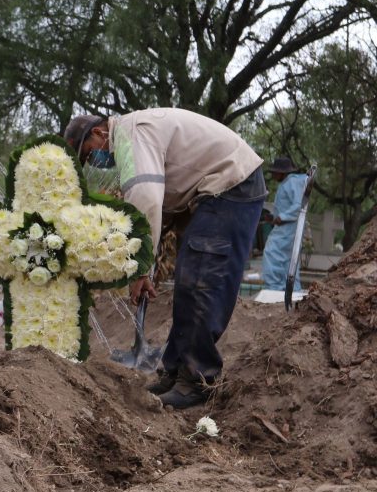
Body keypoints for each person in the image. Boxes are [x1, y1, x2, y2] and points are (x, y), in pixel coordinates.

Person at [64, 108, 266, 409]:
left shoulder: (130, 134)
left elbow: (146, 198)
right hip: (214, 190)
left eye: (90, 154)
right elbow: (163, 203)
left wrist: (140, 270)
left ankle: (198, 380)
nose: (95, 163)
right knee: (188, 279)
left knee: (201, 280)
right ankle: (174, 370)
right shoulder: (131, 137)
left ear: (98, 133)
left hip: (232, 184)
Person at [261, 157, 309, 291]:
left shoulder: (292, 182)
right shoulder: (287, 183)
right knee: (289, 261)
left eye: (275, 172)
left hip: (287, 229)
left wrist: (282, 217)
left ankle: (275, 288)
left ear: (282, 172)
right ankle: (291, 290)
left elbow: (300, 204)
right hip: (287, 228)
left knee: (272, 254)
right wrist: (273, 217)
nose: (273, 174)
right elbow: (288, 206)